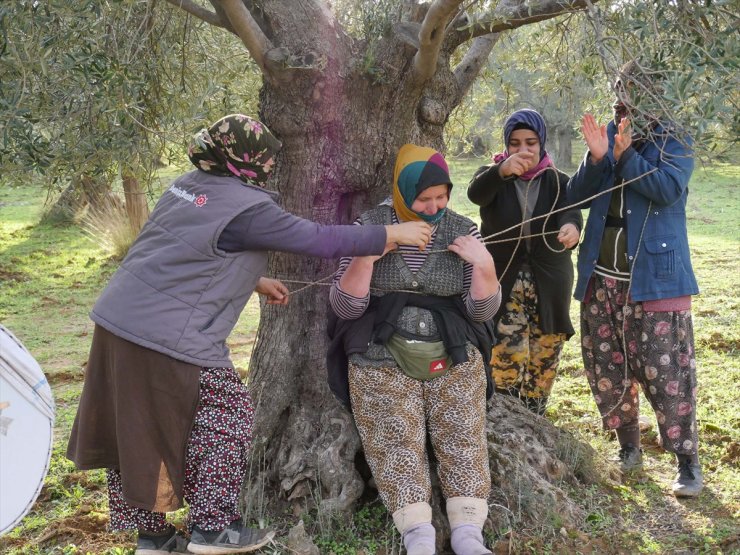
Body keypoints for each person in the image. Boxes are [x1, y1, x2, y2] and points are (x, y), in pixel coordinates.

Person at [66, 114, 433, 555]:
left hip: (117, 322)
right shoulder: (248, 207)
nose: (269, 167)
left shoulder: (188, 185)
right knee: (229, 417)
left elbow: (181, 243)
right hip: (170, 333)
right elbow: (316, 238)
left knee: (135, 427)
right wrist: (390, 232)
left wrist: (250, 279)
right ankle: (213, 530)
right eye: (265, 159)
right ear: (248, 160)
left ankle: (154, 537)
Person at [327, 144, 501, 555]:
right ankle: (418, 535)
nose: (433, 207)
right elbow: (345, 306)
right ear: (403, 193)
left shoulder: (462, 228)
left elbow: (480, 312)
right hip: (381, 351)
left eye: (441, 197)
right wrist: (369, 256)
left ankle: (468, 535)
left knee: (462, 434)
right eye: (423, 199)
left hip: (452, 349)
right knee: (394, 438)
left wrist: (485, 266)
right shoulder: (370, 225)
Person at [568, 62, 702, 498]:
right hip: (601, 278)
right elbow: (578, 196)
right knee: (609, 368)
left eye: (638, 89)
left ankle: (686, 463)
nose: (627, 98)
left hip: (654, 282)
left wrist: (625, 157)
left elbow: (667, 188)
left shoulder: (675, 139)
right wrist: (597, 158)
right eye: (623, 88)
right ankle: (629, 449)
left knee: (668, 374)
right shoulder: (608, 132)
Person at [467, 109, 582, 416]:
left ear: (541, 143)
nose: (523, 150)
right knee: (506, 353)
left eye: (530, 142)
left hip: (550, 284)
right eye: (515, 143)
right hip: (504, 281)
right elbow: (475, 195)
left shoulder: (558, 181)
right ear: (506, 145)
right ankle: (504, 415)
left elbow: (570, 213)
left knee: (544, 354)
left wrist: (572, 228)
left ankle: (534, 419)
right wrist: (501, 171)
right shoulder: (491, 176)